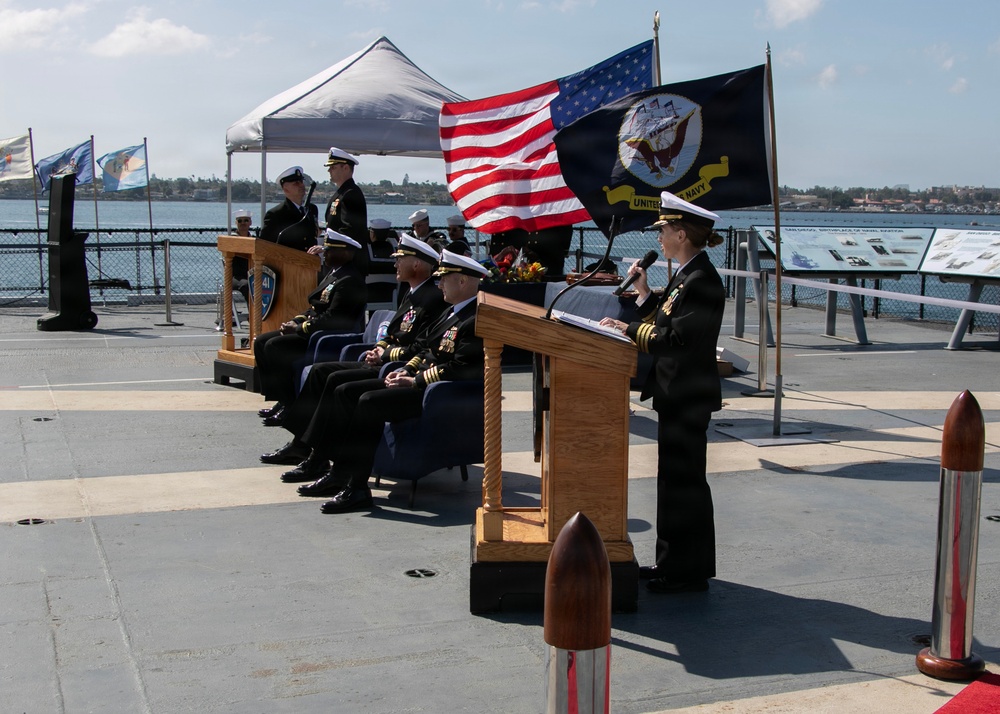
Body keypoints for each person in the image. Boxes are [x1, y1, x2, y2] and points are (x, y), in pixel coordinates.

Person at [293, 250, 488, 514]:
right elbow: (426, 350)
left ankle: (357, 487)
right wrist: (404, 370)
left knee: (368, 402)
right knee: (344, 391)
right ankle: (336, 471)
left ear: (463, 281)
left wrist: (415, 380)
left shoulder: (477, 319)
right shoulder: (452, 313)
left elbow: (462, 368)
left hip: (437, 396)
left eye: (445, 278)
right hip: (420, 384)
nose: (439, 283)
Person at [599, 191, 726, 595]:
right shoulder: (687, 275)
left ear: (683, 234)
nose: (659, 238)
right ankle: (673, 563)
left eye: (664, 230)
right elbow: (665, 319)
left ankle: (687, 572)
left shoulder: (702, 280)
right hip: (677, 393)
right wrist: (643, 293)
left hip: (689, 396)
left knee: (685, 484)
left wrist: (628, 330)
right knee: (673, 483)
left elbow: (677, 339)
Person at [260, 234, 449, 475]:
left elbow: (419, 346)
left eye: (401, 259)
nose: (395, 264)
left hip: (394, 367)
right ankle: (303, 444)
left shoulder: (431, 298)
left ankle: (315, 454)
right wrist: (378, 347)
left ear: (417, 264)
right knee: (320, 373)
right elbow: (392, 333)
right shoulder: (412, 293)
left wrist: (385, 354)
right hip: (384, 360)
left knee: (337, 384)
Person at [254, 230, 368, 424]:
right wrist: (296, 321)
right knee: (261, 342)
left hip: (326, 337)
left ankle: (290, 404)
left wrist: (300, 328)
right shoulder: (334, 274)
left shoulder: (349, 280)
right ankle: (282, 399)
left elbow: (333, 318)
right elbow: (315, 307)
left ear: (346, 254)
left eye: (330, 250)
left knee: (274, 347)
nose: (325, 253)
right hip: (313, 329)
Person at [323, 147, 368, 276]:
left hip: (349, 262)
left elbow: (350, 228)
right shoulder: (341, 193)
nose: (329, 170)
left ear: (346, 168)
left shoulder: (351, 194)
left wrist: (327, 246)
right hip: (339, 261)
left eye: (333, 167)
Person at [259, 166, 319, 251]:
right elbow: (265, 246)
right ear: (285, 188)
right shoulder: (276, 214)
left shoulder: (312, 209)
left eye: (301, 181)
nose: (301, 185)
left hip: (310, 262)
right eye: (296, 183)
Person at [365, 217, 400, 305]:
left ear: (372, 234)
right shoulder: (396, 252)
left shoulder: (366, 252)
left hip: (369, 296)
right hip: (391, 296)